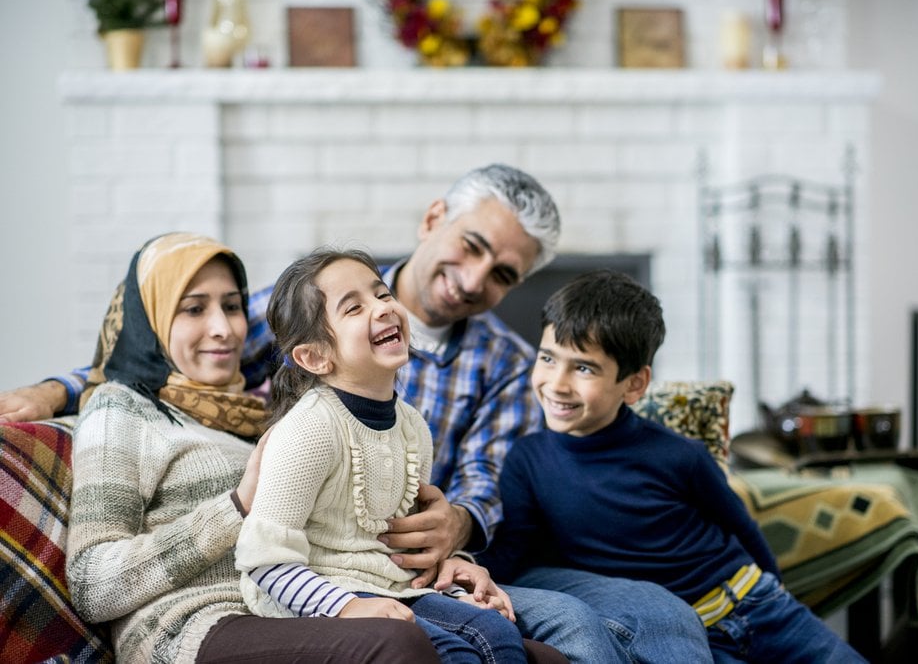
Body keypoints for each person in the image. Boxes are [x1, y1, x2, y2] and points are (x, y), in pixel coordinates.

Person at [6, 164, 710, 662]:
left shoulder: (491, 367)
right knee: (563, 630)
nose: (473, 280)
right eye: (471, 247)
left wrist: (457, 531)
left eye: (503, 275)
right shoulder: (298, 339)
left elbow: (483, 481)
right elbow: (154, 350)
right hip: (293, 589)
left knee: (652, 616)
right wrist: (53, 391)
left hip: (406, 566)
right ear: (434, 219)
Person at [66, 232, 440, 663]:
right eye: (193, 309)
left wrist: (448, 559)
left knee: (514, 646)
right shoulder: (122, 409)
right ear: (151, 319)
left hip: (295, 606)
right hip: (192, 625)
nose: (223, 329)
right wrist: (236, 507)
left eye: (232, 306)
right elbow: (93, 585)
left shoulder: (264, 410)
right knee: (396, 643)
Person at [479, 269, 867, 663]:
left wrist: (775, 590)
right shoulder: (527, 461)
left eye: (584, 368)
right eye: (548, 358)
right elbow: (516, 551)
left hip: (759, 606)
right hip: (689, 636)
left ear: (634, 385)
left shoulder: (678, 454)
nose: (557, 383)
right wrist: (462, 569)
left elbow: (742, 527)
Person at [234, 247, 556, 663]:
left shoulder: (413, 427)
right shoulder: (309, 430)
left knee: (496, 632)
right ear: (315, 356)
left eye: (382, 294)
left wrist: (457, 588)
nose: (383, 309)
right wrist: (346, 607)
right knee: (451, 652)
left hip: (390, 587)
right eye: (354, 308)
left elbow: (403, 552)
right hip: (314, 593)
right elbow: (263, 562)